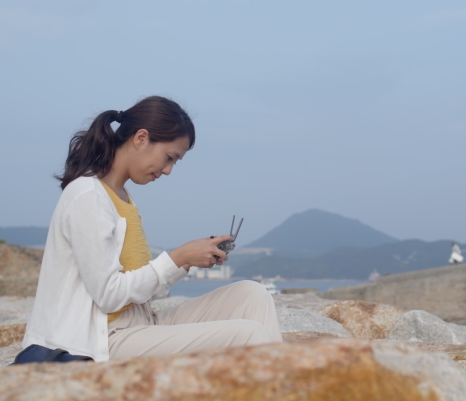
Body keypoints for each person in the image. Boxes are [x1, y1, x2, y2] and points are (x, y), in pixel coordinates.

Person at [22, 96, 282, 362]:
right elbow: (109, 296)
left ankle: (287, 389)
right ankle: (283, 395)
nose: (168, 170)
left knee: (253, 295)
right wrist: (177, 257)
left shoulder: (124, 198)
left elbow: (144, 288)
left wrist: (187, 262)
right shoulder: (87, 195)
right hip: (103, 340)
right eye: (169, 158)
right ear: (141, 138)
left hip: (142, 324)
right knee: (248, 335)